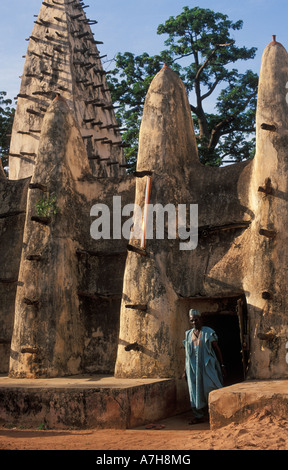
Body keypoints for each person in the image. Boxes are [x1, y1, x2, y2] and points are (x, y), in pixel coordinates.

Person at [183, 309, 225, 424]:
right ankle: (199, 416)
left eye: (196, 320)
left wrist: (222, 365)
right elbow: (187, 354)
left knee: (211, 386)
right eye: (192, 320)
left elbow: (217, 349)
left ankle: (218, 412)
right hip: (192, 368)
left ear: (200, 319)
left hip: (207, 365)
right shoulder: (188, 334)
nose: (194, 322)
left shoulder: (208, 332)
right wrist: (185, 370)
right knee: (194, 391)